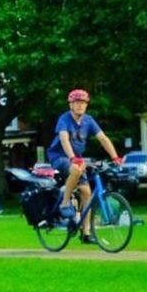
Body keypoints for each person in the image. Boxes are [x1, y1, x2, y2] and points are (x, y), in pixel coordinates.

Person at [47, 88, 123, 244]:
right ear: (71, 105)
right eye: (76, 102)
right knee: (76, 168)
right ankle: (65, 202)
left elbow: (103, 138)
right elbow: (64, 139)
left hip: (77, 160)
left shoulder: (88, 120)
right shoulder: (64, 119)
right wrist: (73, 158)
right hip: (60, 157)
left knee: (87, 192)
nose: (80, 105)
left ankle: (86, 233)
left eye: (83, 103)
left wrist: (115, 156)